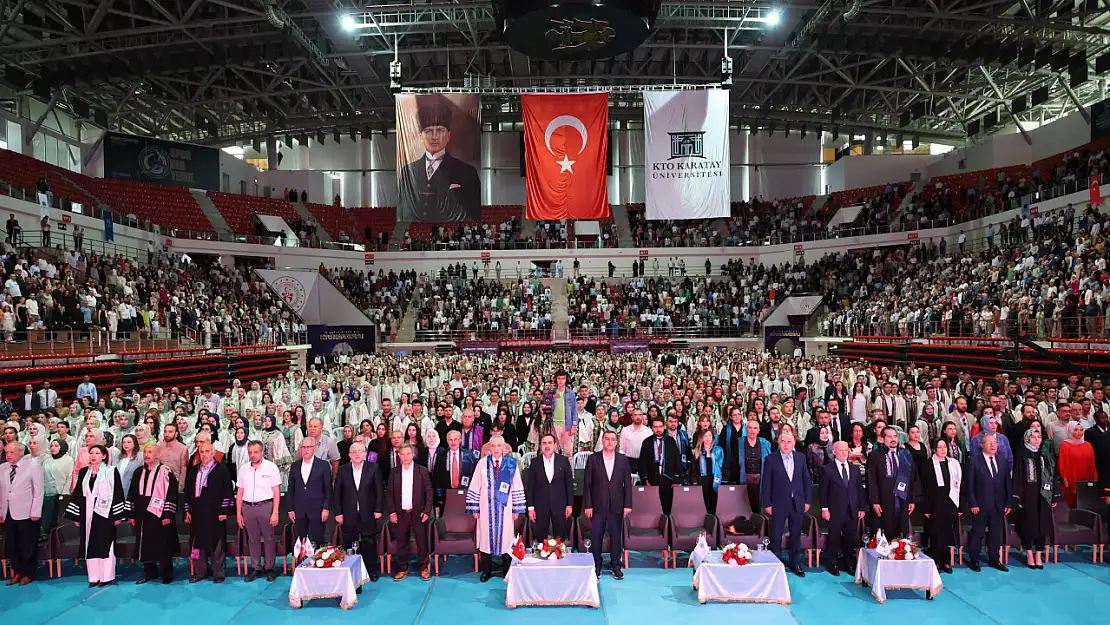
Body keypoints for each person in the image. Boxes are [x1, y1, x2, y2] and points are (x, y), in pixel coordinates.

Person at [398, 94, 481, 222]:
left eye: (440, 131)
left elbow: (473, 211)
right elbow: (403, 210)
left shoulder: (467, 172)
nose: (434, 137)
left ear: (448, 136)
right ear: (421, 136)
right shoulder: (407, 172)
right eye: (429, 132)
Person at [466, 435, 525, 582]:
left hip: (506, 509)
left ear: (504, 447)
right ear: (489, 447)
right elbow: (475, 485)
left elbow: (517, 485)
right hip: (486, 508)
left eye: (499, 446)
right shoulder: (482, 464)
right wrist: (474, 508)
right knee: (486, 538)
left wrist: (516, 509)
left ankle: (506, 570)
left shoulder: (511, 464)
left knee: (507, 538)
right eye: (493, 446)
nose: (496, 449)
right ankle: (487, 571)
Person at [65, 444, 125, 587]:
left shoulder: (111, 471)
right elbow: (78, 494)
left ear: (104, 456)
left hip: (105, 513)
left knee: (105, 544)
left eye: (97, 453)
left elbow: (118, 492)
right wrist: (76, 516)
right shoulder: (84, 472)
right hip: (87, 512)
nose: (93, 456)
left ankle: (106, 576)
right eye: (91, 453)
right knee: (89, 544)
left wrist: (117, 516)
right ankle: (94, 577)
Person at [583, 430, 632, 580]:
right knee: (596, 536)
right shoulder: (593, 459)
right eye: (607, 439)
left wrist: (627, 505)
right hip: (597, 506)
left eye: (612, 439)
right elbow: (587, 484)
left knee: (616, 537)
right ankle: (596, 564)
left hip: (617, 506)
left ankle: (616, 565)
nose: (610, 442)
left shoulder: (623, 460)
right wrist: (588, 505)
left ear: (616, 442)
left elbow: (627, 485)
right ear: (602, 441)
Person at [184, 439, 234, 583]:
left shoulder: (222, 469)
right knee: (197, 543)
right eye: (202, 452)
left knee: (217, 543)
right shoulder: (193, 471)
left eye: (207, 452)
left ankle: (219, 573)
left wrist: (224, 511)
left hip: (215, 512)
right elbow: (188, 492)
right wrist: (187, 510)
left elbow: (227, 491)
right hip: (198, 512)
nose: (204, 455)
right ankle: (200, 572)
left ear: (213, 453)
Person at [127, 445, 179, 584]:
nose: (147, 455)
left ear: (158, 455)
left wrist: (167, 514)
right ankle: (149, 573)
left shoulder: (166, 472)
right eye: (145, 452)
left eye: (150, 452)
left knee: (163, 543)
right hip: (141, 512)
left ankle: (167, 574)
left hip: (159, 512)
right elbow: (132, 493)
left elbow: (171, 494)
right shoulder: (138, 472)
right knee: (144, 544)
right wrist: (131, 514)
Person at [332, 441, 383, 582]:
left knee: (369, 543)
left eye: (360, 451)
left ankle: (371, 570)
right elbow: (337, 493)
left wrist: (378, 509)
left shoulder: (373, 468)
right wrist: (338, 512)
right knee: (350, 543)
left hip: (368, 512)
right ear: (349, 455)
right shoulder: (343, 470)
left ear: (365, 454)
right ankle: (351, 572)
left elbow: (379, 490)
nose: (357, 455)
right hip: (349, 514)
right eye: (354, 452)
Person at [761, 430, 810, 577]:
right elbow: (766, 483)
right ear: (779, 443)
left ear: (794, 443)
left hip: (797, 502)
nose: (786, 445)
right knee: (776, 535)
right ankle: (776, 563)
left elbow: (806, 480)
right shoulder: (771, 459)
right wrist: (767, 503)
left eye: (789, 442)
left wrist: (807, 500)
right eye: (783, 442)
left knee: (795, 535)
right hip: (778, 503)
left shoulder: (800, 458)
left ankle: (795, 564)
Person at [387, 443, 433, 581]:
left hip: (418, 513)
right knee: (401, 541)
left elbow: (429, 492)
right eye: (403, 454)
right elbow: (389, 494)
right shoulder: (394, 472)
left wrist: (426, 511)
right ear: (399, 456)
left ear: (413, 455)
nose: (405, 457)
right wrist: (392, 512)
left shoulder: (422, 471)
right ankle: (402, 568)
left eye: (408, 454)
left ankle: (424, 568)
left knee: (421, 541)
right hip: (401, 513)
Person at [966, 433, 1012, 572]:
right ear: (982, 445)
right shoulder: (974, 461)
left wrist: (1008, 502)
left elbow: (1007, 484)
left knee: (995, 533)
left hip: (998, 504)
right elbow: (969, 485)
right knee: (977, 533)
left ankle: (994, 559)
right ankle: (974, 559)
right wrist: (972, 503)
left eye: (995, 443)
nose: (993, 445)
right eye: (989, 443)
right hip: (980, 505)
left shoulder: (1002, 460)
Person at [236, 440, 281, 582]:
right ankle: (256, 567)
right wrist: (238, 513)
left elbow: (276, 492)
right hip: (248, 507)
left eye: (255, 452)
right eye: (250, 452)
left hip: (266, 506)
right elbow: (240, 492)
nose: (252, 455)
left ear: (262, 452)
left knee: (268, 538)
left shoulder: (271, 468)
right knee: (253, 539)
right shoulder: (243, 469)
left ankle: (270, 568)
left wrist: (275, 512)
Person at [0, 440, 44, 585]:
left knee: (27, 544)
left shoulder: (33, 466)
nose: (8, 455)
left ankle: (28, 572)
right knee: (12, 544)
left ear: (21, 452)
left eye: (12, 452)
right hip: (8, 512)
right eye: (6, 452)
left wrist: (36, 511)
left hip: (27, 512)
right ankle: (17, 571)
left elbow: (38, 491)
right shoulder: (2, 468)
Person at [819, 441, 865, 576]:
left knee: (850, 537)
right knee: (834, 536)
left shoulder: (855, 469)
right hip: (834, 510)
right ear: (834, 452)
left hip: (852, 509)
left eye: (846, 450)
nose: (844, 453)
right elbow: (823, 492)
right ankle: (832, 561)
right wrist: (824, 509)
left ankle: (849, 562)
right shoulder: (827, 469)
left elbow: (859, 490)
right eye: (841, 450)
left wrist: (862, 507)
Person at [1013, 429, 1056, 570]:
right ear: (1027, 439)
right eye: (1034, 437)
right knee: (1028, 525)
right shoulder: (1022, 455)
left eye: (1039, 437)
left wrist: (1054, 495)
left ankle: (1039, 553)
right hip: (1028, 495)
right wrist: (1018, 498)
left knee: (1042, 525)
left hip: (1044, 495)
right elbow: (1017, 477)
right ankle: (1029, 553)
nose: (1037, 439)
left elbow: (1053, 476)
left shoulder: (1045, 455)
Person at [866, 426, 920, 538]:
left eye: (895, 436)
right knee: (885, 533)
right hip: (884, 500)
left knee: (901, 535)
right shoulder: (875, 456)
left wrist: (912, 500)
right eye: (889, 436)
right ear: (883, 438)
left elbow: (914, 478)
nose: (893, 439)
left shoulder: (906, 454)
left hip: (903, 500)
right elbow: (871, 480)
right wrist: (874, 501)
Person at [920, 438, 962, 574]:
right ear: (934, 449)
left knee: (947, 533)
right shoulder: (927, 465)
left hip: (950, 501)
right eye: (939, 447)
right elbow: (923, 487)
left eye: (944, 446)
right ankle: (935, 561)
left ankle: (945, 561)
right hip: (934, 503)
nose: (943, 449)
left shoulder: (953, 463)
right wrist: (926, 506)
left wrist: (959, 505)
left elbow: (960, 485)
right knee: (935, 533)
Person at [526, 433, 574, 540]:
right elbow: (530, 487)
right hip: (540, 506)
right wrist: (531, 508)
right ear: (540, 446)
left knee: (560, 537)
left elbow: (569, 484)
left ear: (555, 445)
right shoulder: (535, 462)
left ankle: (560, 556)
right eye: (544, 443)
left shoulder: (563, 461)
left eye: (549, 443)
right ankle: (541, 556)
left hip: (560, 505)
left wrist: (569, 504)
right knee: (541, 537)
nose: (547, 446)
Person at [287, 437, 332, 547]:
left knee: (318, 539)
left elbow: (328, 489)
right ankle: (302, 563)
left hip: (318, 510)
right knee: (301, 541)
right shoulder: (295, 466)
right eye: (303, 447)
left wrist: (326, 508)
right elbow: (291, 489)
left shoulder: (323, 465)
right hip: (299, 510)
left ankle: (319, 562)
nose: (306, 450)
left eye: (309, 447)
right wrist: (290, 509)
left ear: (314, 448)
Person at [638, 417, 681, 514]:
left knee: (668, 505)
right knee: (653, 505)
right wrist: (645, 479)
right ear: (652, 428)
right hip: (653, 477)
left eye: (660, 426)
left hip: (668, 477)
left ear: (664, 426)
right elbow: (642, 463)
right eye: (656, 427)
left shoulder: (670, 441)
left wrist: (677, 479)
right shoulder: (647, 442)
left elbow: (677, 460)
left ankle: (667, 525)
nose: (658, 429)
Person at [1057, 421, 1097, 508]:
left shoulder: (1088, 445)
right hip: (1071, 479)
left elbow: (1092, 463)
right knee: (1073, 503)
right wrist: (1064, 479)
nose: (1079, 432)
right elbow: (1062, 463)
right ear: (1070, 431)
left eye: (1081, 430)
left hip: (1086, 477)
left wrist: (1094, 478)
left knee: (1086, 502)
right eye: (1076, 430)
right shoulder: (1065, 445)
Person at [687, 428, 724, 514]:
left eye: (709, 436)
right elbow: (693, 469)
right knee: (704, 504)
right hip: (702, 481)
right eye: (705, 436)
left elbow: (721, 466)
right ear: (702, 438)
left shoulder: (718, 451)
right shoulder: (696, 452)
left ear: (713, 437)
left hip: (715, 480)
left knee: (715, 504)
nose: (708, 438)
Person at [545, 370, 580, 456]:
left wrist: (574, 426)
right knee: (555, 451)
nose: (561, 381)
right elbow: (547, 409)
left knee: (568, 452)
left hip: (567, 425)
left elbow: (574, 410)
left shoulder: (571, 393)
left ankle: (568, 469)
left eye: (563, 378)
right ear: (556, 380)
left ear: (566, 379)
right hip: (555, 425)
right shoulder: (551, 392)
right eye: (559, 378)